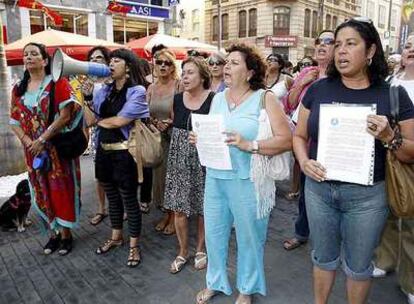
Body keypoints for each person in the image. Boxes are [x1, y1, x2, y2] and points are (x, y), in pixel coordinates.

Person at [293, 18, 414, 304]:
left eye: (351, 44)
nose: (341, 52)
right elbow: (298, 136)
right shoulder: (319, 90)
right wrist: (304, 161)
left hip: (369, 197)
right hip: (319, 191)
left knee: (359, 267)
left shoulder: (393, 95)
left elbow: (410, 150)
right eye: (338, 45)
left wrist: (388, 135)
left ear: (370, 51)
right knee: (322, 258)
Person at [194, 43, 292, 304]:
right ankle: (215, 282)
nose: (226, 66)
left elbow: (286, 139)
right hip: (215, 179)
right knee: (214, 236)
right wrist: (200, 138)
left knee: (250, 238)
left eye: (234, 63)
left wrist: (251, 145)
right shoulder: (216, 98)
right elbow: (215, 134)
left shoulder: (264, 98)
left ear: (249, 72)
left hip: (248, 181)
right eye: (226, 62)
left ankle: (246, 289)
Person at [10, 42, 82, 255]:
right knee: (40, 190)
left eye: (34, 54)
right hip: (32, 150)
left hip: (56, 148)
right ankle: (53, 234)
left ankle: (67, 236)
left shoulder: (57, 83)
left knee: (61, 190)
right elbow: (14, 121)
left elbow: (66, 115)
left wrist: (42, 138)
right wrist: (28, 142)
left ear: (45, 60)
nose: (29, 57)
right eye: (26, 55)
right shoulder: (18, 88)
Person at [87, 48, 150, 267]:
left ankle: (134, 245)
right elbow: (89, 119)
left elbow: (120, 121)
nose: (110, 64)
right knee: (112, 198)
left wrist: (99, 121)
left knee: (129, 200)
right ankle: (116, 237)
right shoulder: (104, 90)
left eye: (116, 60)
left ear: (128, 67)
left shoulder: (137, 91)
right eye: (110, 60)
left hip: (126, 154)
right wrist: (85, 96)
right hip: (104, 152)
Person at [283, 30, 335, 251]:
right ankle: (301, 232)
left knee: (331, 194)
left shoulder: (342, 75)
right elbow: (290, 104)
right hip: (306, 141)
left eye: (328, 41)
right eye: (319, 41)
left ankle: (331, 240)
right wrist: (302, 81)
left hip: (332, 142)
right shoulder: (308, 72)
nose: (322, 45)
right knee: (306, 191)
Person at [373, 34, 414, 304]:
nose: (412, 50)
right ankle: (385, 259)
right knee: (388, 210)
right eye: (409, 45)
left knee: (411, 217)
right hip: (389, 154)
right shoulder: (391, 79)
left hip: (411, 153)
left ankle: (410, 281)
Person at [164, 57, 214, 274]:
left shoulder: (214, 99)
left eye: (190, 72)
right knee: (179, 208)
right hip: (178, 157)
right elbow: (175, 125)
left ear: (203, 76)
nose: (185, 76)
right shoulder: (176, 99)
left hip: (204, 157)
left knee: (204, 207)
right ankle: (183, 251)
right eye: (183, 72)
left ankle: (201, 249)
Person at [147, 49, 180, 234]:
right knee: (160, 180)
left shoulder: (178, 85)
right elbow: (145, 112)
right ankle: (166, 213)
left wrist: (169, 123)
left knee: (173, 177)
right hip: (156, 139)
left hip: (173, 138)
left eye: (167, 63)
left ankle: (175, 216)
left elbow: (184, 111)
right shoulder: (151, 87)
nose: (162, 66)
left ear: (172, 67)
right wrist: (153, 122)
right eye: (159, 62)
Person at [82, 46, 111, 226]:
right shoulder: (88, 84)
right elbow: (89, 119)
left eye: (99, 58)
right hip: (98, 135)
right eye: (92, 58)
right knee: (100, 175)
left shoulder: (113, 82)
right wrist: (87, 96)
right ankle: (102, 208)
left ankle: (119, 207)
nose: (95, 60)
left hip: (117, 134)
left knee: (117, 175)